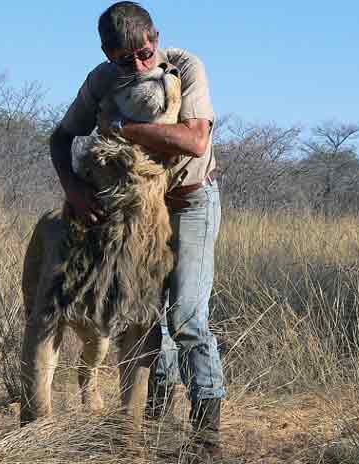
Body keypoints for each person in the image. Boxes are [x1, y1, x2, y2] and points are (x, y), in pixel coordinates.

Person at [49, 2, 226, 461]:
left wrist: (124, 128)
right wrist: (73, 189)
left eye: (146, 53)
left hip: (188, 201)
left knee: (186, 317)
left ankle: (207, 436)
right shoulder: (101, 80)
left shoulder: (185, 67)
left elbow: (195, 140)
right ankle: (153, 424)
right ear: (107, 53)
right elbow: (61, 136)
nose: (140, 65)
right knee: (145, 317)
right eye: (126, 60)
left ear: (156, 37)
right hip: (137, 208)